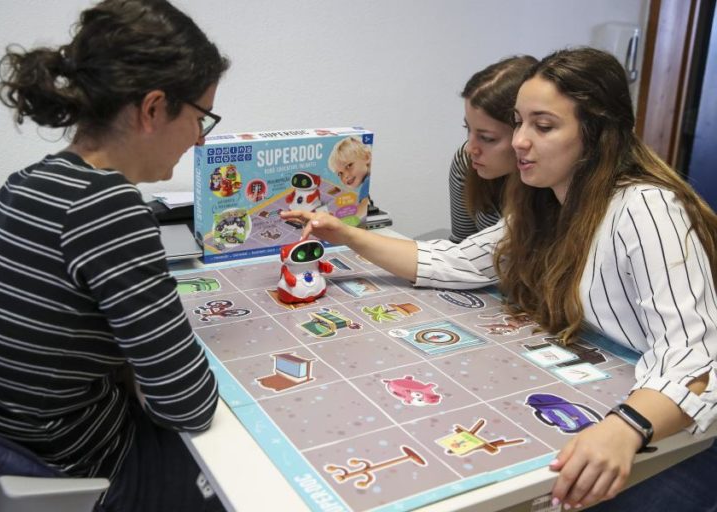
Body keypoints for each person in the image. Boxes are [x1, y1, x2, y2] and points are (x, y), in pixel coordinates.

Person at [281, 47, 717, 510]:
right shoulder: (542, 198)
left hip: (687, 436)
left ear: (596, 134)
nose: (519, 141)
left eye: (543, 126)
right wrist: (346, 234)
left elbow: (699, 358)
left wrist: (624, 426)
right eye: (519, 122)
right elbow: (457, 261)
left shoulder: (646, 207)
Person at [0, 1, 229, 511]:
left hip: (1, 444)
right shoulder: (109, 209)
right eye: (199, 117)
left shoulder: (32, 181)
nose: (199, 138)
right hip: (86, 468)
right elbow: (188, 403)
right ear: (152, 108)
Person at [449, 55, 537, 243]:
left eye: (487, 138)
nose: (470, 149)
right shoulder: (466, 162)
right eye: (468, 129)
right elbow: (460, 248)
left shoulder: (549, 184)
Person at [327, 136, 372, 219]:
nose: (345, 176)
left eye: (349, 165)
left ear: (366, 157)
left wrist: (341, 224)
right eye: (340, 173)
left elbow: (363, 208)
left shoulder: (367, 183)